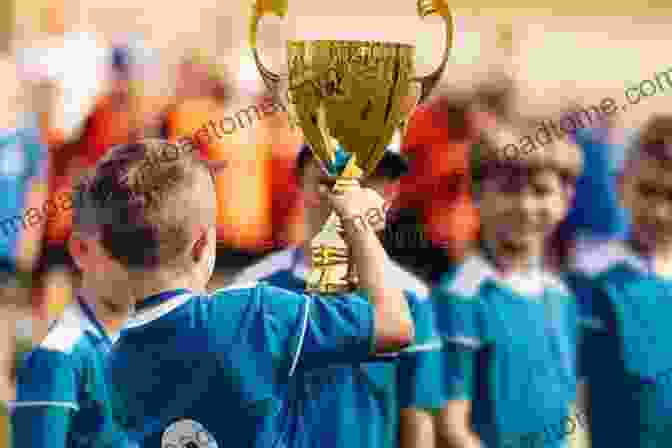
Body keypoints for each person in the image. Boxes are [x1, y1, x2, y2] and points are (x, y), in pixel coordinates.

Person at [90, 139, 414, 447]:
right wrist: (359, 223)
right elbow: (394, 325)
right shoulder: (251, 312)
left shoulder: (111, 365)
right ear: (203, 245)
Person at [231, 143, 444, 448]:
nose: (348, 197)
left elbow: (417, 423)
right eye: (332, 181)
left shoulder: (413, 296)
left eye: (367, 181)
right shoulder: (253, 287)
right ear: (301, 183)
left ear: (391, 193)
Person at [432, 121, 587, 448]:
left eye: (541, 191)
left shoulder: (561, 297)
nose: (525, 206)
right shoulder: (460, 297)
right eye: (509, 190)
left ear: (567, 199)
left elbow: (569, 410)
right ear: (476, 193)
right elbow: (451, 429)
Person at [567, 115, 672, 448]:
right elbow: (568, 394)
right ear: (621, 184)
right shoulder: (591, 281)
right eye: (647, 191)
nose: (659, 211)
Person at [10, 189, 136, 447]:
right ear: (80, 250)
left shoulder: (151, 343)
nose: (138, 263)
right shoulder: (59, 356)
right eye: (121, 246)